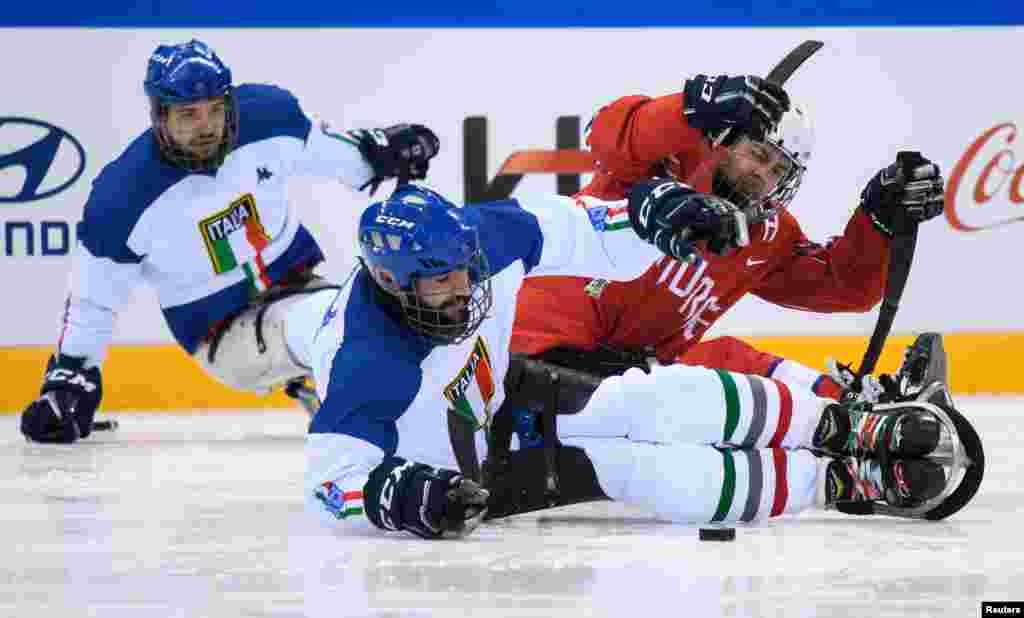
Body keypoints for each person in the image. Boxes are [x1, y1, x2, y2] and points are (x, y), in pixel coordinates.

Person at [304, 182, 947, 540]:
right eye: (439, 283)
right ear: (390, 283)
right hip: (466, 471)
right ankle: (836, 487)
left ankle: (837, 427)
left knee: (647, 398)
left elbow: (581, 226)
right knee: (631, 465)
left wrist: (648, 214)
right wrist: (397, 494)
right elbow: (333, 482)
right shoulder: (367, 358)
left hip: (503, 395)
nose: (464, 290)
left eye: (466, 273)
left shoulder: (484, 235)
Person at [19, 39, 440, 443]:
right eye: (188, 114)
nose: (205, 127)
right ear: (159, 116)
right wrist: (73, 375)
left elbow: (337, 155)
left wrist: (382, 153)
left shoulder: (270, 118)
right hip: (222, 333)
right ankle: (351, 396)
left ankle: (344, 388)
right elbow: (94, 300)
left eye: (215, 110)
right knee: (337, 319)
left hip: (298, 283)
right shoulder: (121, 200)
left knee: (387, 312)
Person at [509, 73, 947, 401]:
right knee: (728, 361)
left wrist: (878, 219)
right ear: (725, 142)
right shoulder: (663, 163)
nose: (763, 175)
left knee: (729, 371)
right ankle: (840, 408)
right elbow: (610, 131)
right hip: (534, 356)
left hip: (624, 382)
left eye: (778, 171)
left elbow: (843, 286)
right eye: (757, 154)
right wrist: (692, 108)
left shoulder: (763, 235)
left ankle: (845, 409)